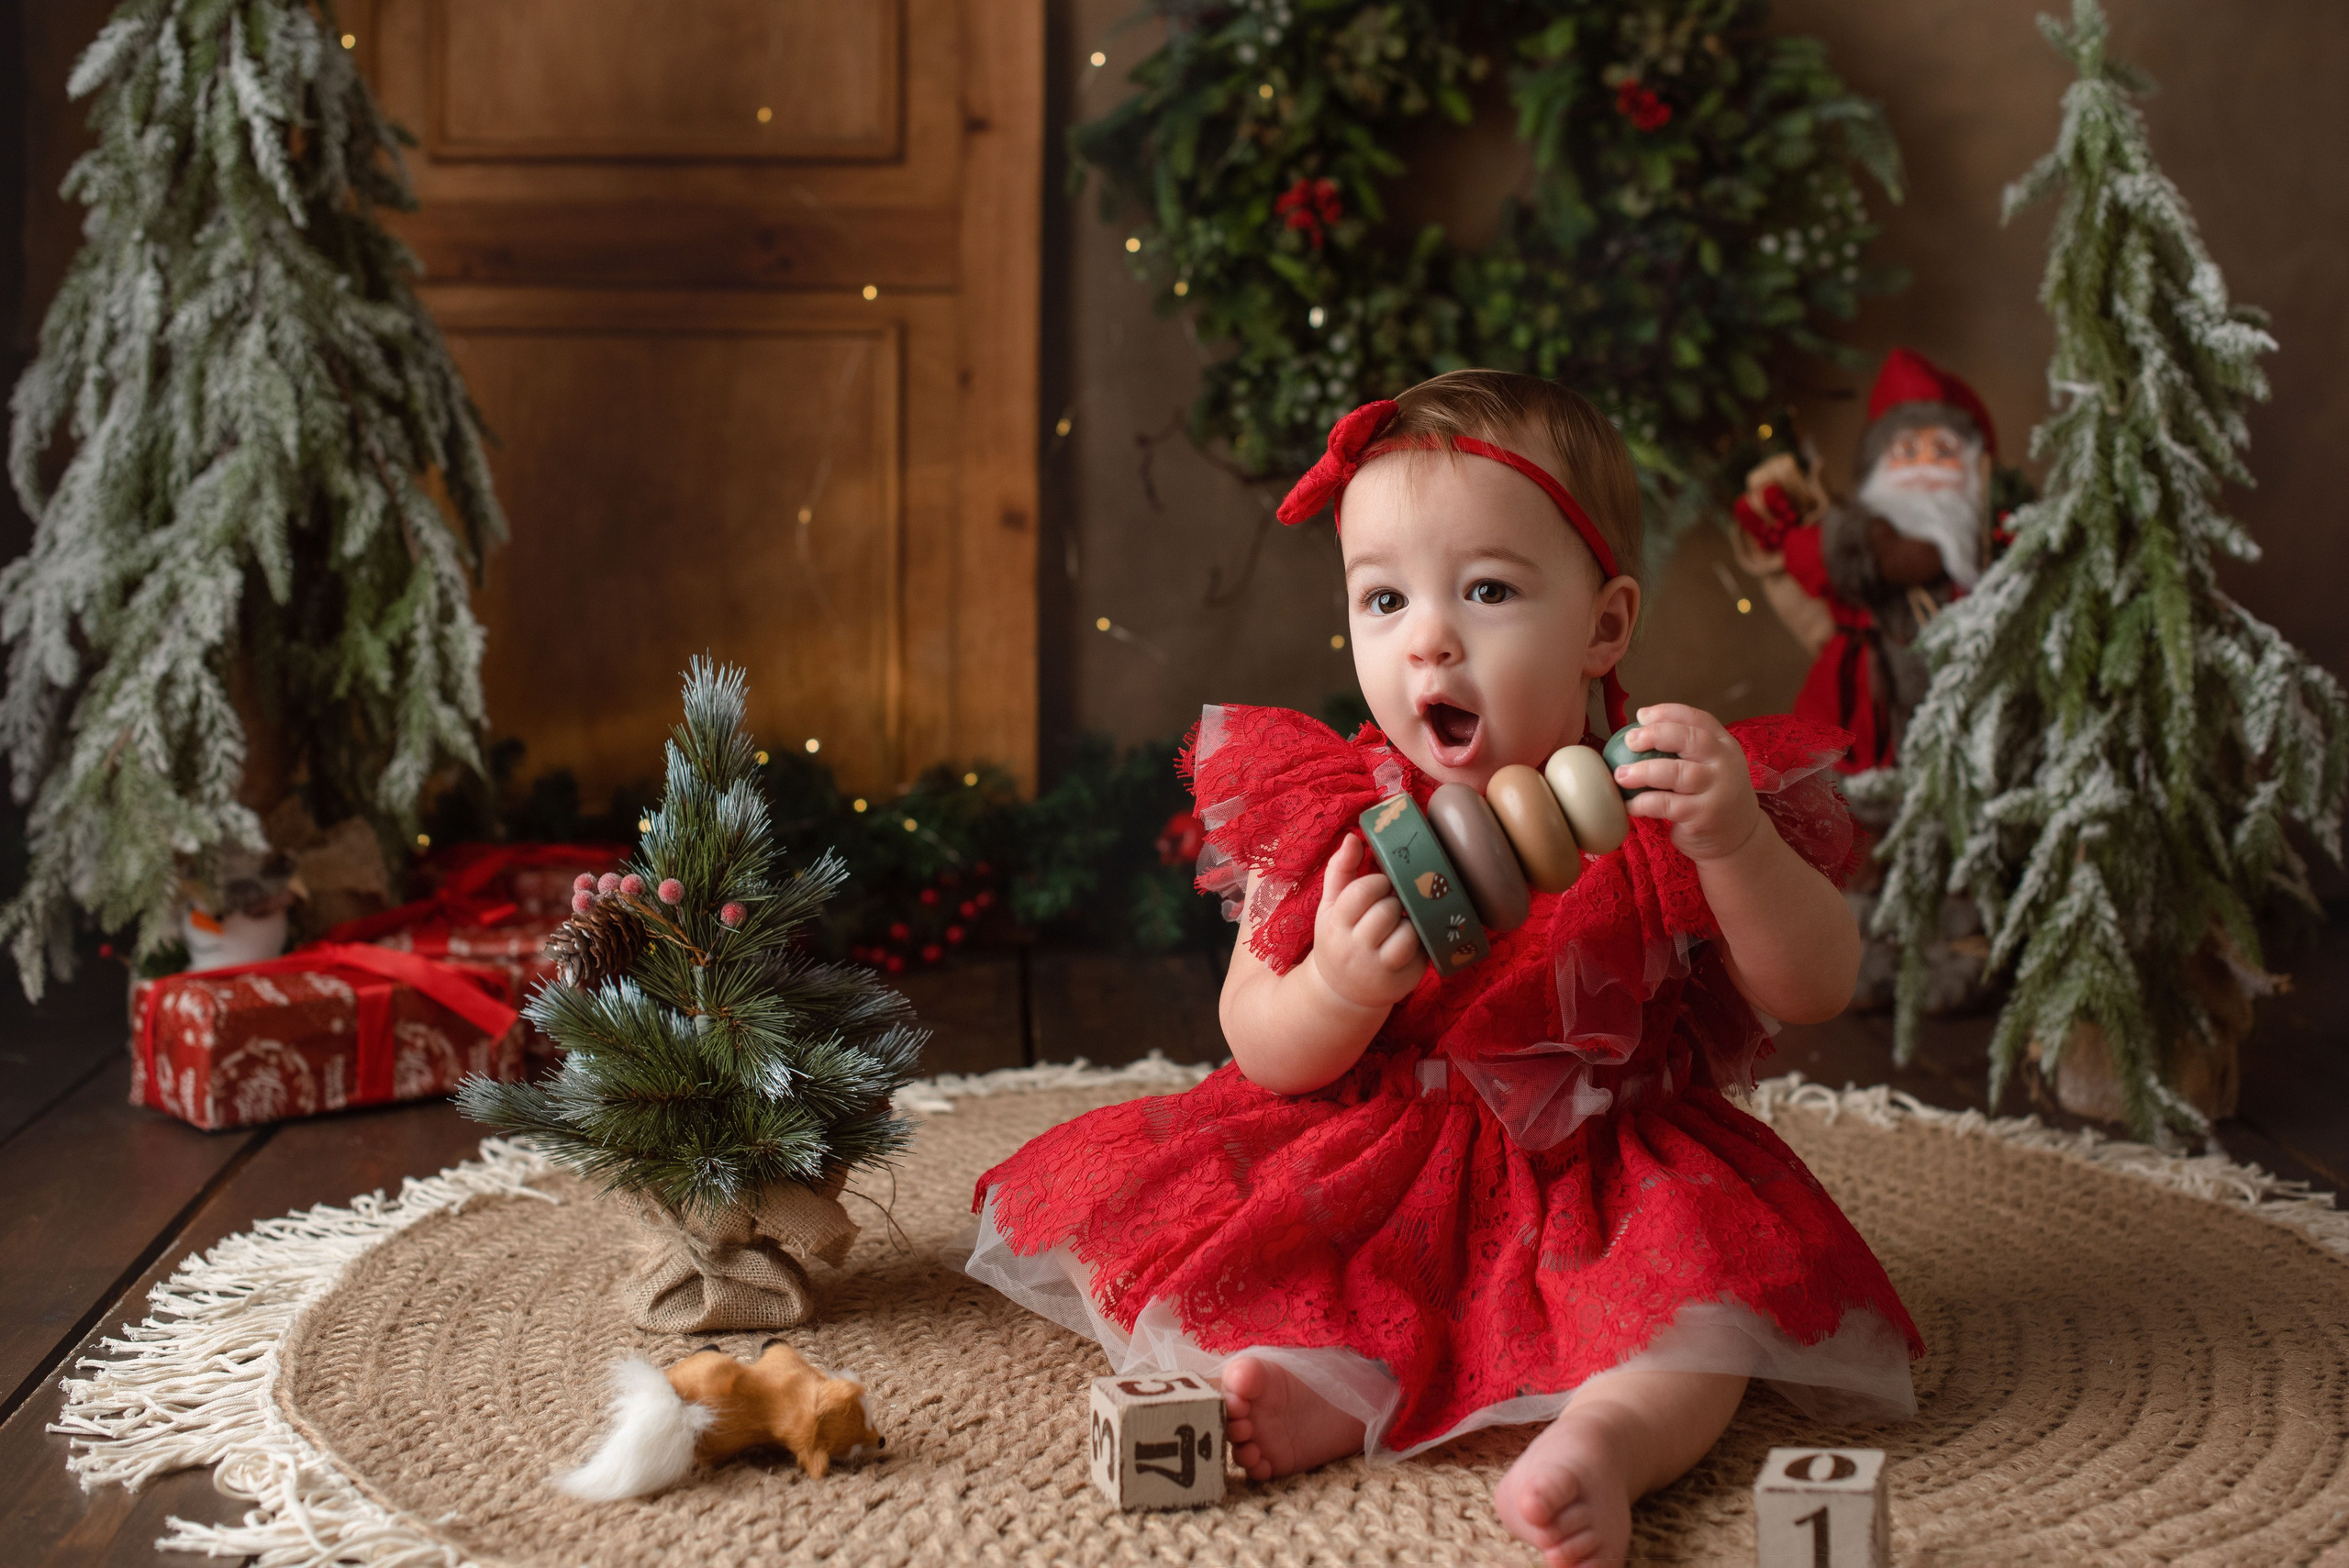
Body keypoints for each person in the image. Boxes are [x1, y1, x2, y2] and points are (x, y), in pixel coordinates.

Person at [964, 371, 1920, 1567]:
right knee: (1313, 1270)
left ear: (1605, 626)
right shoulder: (1343, 812)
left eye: (1486, 589)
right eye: (1381, 598)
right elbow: (1255, 1033)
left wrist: (1735, 842)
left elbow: (1815, 982)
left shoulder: (1664, 800)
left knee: (1699, 1316)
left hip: (1603, 1160)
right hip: (1389, 1147)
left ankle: (1608, 1445)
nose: (1427, 636)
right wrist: (1337, 988)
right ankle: (1334, 1388)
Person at [1733, 348, 2002, 773]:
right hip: (1871, 714)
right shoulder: (1857, 535)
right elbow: (1811, 556)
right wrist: (1886, 550)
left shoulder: (1999, 538)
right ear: (1880, 468)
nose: (1925, 465)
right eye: (1908, 450)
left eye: (1944, 450)